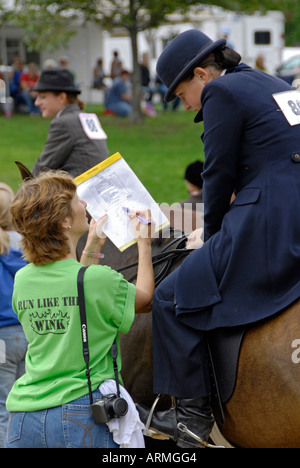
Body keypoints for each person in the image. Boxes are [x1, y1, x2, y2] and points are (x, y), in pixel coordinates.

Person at [136, 28, 300, 448]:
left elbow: (217, 173)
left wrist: (211, 238)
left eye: (181, 94)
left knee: (170, 298)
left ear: (201, 75)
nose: (188, 105)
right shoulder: (274, 82)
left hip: (268, 220)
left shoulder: (221, 93)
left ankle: (191, 417)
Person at [5, 170, 154, 448]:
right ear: (63, 222)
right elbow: (145, 300)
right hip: (81, 413)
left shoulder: (23, 279)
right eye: (77, 201)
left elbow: (77, 291)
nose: (85, 205)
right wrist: (144, 243)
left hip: (24, 416)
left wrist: (93, 245)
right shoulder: (99, 280)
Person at [31, 67, 109, 178]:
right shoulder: (86, 117)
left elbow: (42, 170)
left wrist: (24, 191)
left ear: (62, 97)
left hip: (76, 192)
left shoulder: (63, 123)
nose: (37, 103)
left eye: (42, 97)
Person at [0, 183, 27, 448]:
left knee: (2, 409)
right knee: (23, 406)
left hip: (1, 339)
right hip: (29, 333)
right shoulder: (27, 243)